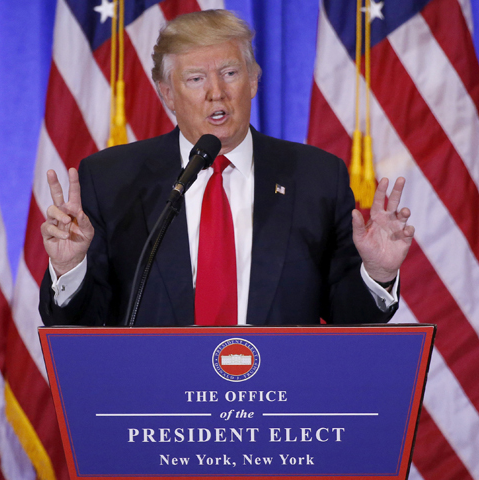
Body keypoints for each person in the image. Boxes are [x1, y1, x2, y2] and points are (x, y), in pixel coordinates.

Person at [38, 9, 414, 327]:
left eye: (230, 73)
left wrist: (378, 275)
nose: (215, 92)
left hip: (276, 400)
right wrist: (70, 268)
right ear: (167, 93)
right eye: (196, 79)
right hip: (160, 403)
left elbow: (350, 320)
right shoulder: (111, 179)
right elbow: (81, 327)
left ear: (253, 81)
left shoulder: (316, 177)